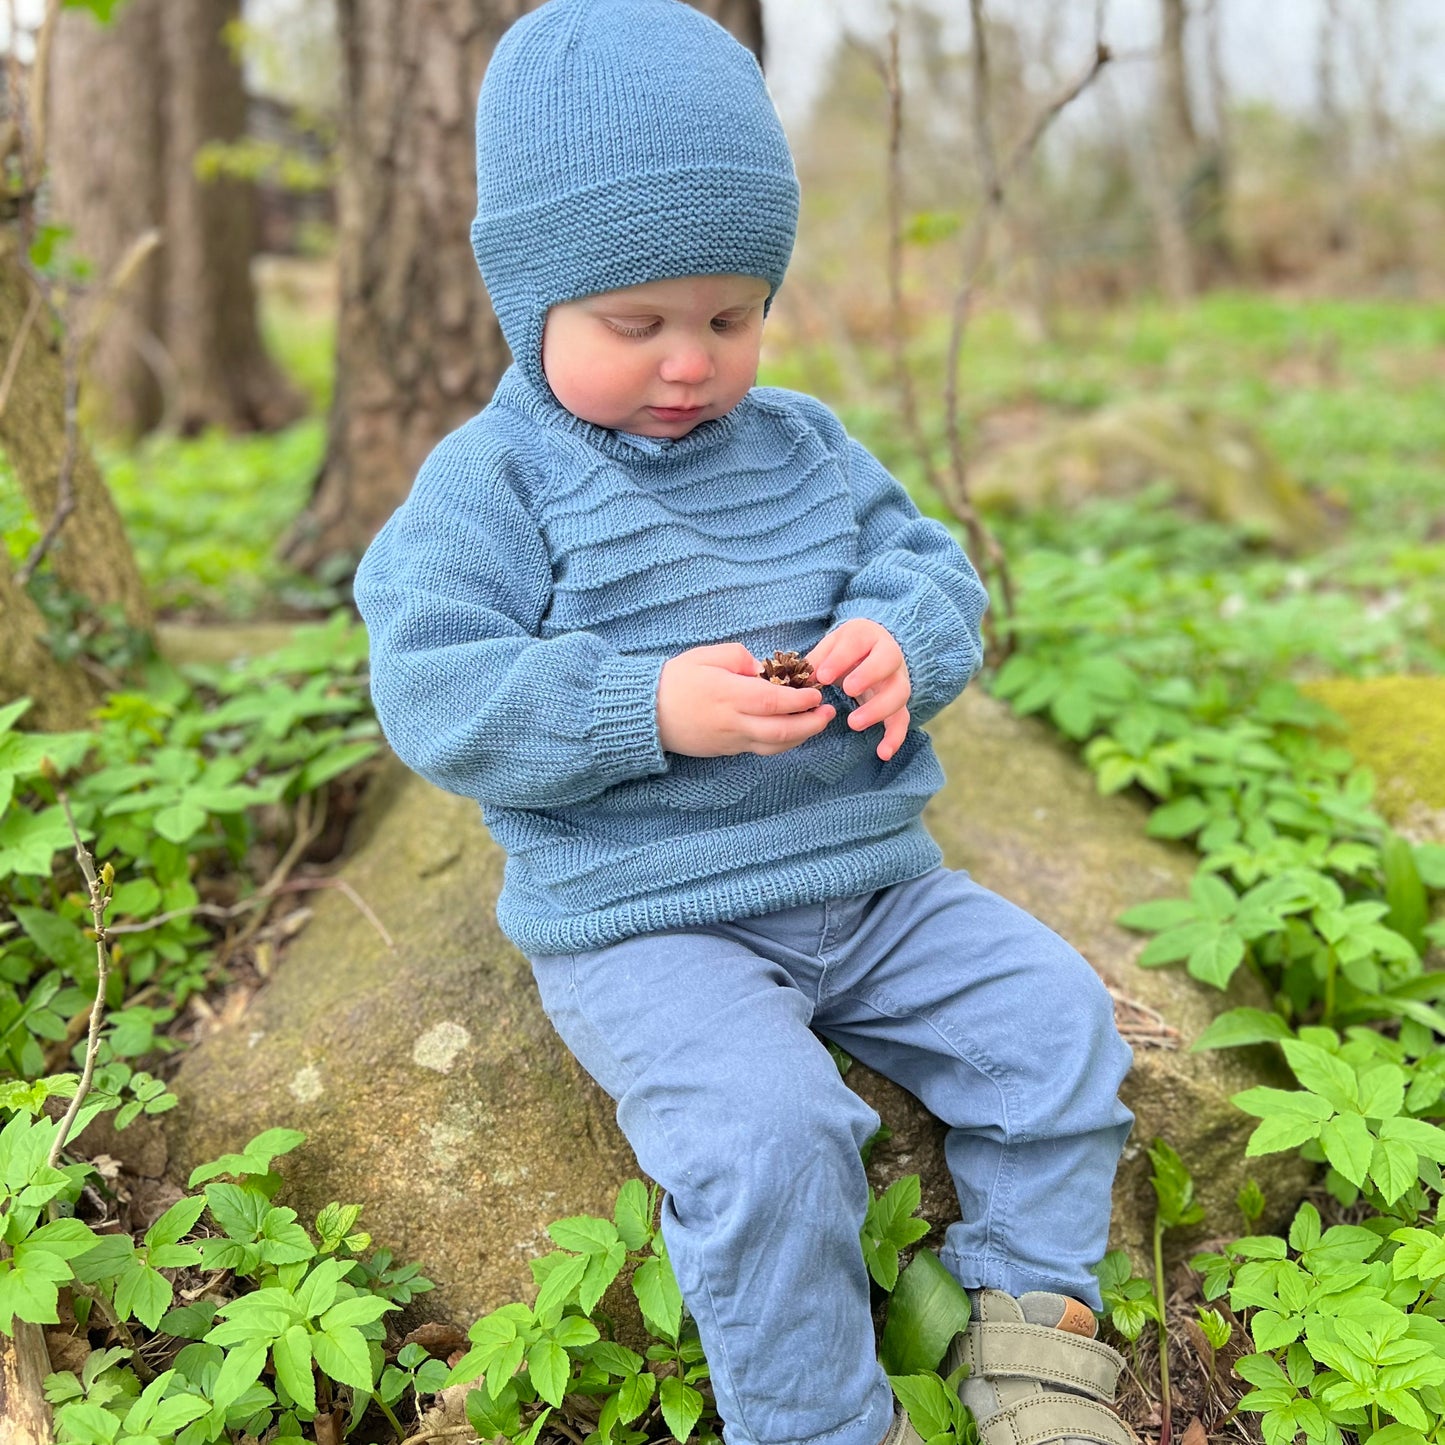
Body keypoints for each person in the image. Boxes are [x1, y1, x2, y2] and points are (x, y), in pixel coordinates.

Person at [354, 4, 1135, 1445]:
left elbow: (926, 565)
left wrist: (904, 639)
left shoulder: (806, 445)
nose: (687, 362)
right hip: (651, 919)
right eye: (632, 322)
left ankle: (1034, 1333)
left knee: (1054, 1027)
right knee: (769, 1143)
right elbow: (431, 677)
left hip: (875, 886)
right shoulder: (497, 480)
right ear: (527, 304)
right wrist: (638, 703)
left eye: (729, 314)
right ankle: (824, 1421)